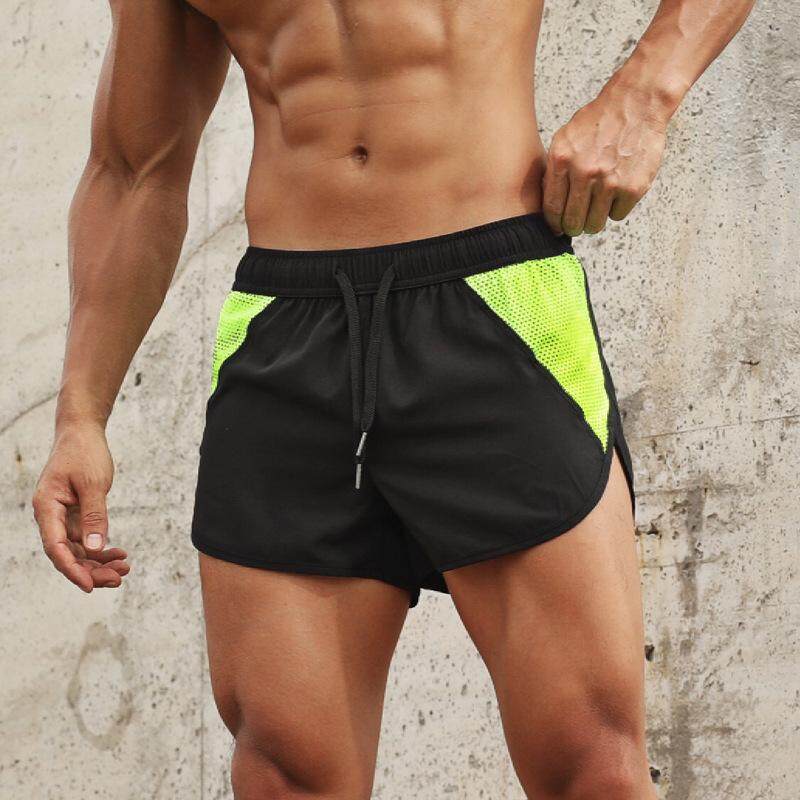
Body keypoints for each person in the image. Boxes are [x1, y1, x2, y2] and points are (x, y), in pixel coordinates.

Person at [33, 1, 755, 797]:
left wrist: (644, 96)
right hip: (286, 336)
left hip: (495, 306)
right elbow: (133, 169)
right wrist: (81, 413)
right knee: (285, 772)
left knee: (591, 766)